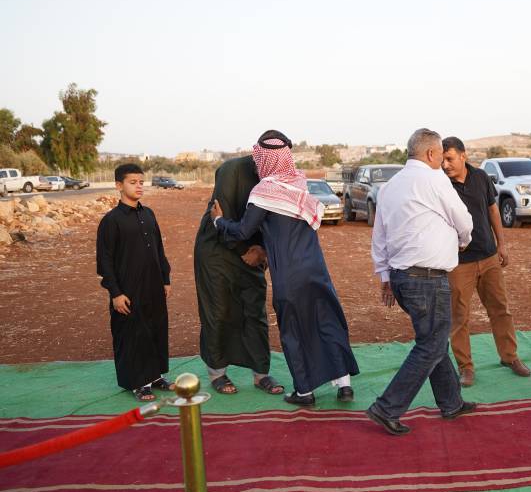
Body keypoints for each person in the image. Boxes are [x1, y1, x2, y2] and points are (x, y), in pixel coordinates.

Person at [210, 131, 358, 406]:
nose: (257, 165)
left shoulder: (264, 192)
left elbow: (243, 231)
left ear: (266, 159)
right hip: (316, 269)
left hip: (289, 274)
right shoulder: (300, 186)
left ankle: (304, 392)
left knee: (293, 330)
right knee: (327, 321)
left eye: (259, 159)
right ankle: (344, 385)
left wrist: (219, 222)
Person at [368, 128, 477, 435]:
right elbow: (463, 219)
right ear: (431, 153)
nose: (443, 161)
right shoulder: (433, 179)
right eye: (441, 154)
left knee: (434, 340)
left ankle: (451, 402)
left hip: (402, 278)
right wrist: (464, 240)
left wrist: (385, 276)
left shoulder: (389, 187)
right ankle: (387, 407)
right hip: (427, 279)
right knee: (430, 345)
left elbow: (379, 236)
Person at [441, 136, 530, 387]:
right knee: (460, 317)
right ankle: (466, 368)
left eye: (449, 159)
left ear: (463, 156)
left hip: (489, 257)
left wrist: (502, 244)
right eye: (442, 160)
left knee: (500, 309)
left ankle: (510, 357)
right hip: (458, 263)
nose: (445, 165)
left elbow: (492, 210)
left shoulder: (481, 177)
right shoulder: (440, 185)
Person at [194, 148, 283, 396]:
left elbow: (278, 219)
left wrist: (263, 251)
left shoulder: (278, 177)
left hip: (253, 252)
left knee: (255, 312)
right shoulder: (232, 169)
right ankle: (217, 372)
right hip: (217, 250)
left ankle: (261, 374)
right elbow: (221, 214)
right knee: (218, 311)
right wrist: (247, 250)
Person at [96, 163, 175, 401]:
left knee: (155, 330)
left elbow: (159, 249)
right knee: (132, 335)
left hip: (153, 285)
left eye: (141, 182)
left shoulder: (148, 214)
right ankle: (138, 383)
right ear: (119, 185)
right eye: (133, 182)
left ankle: (155, 376)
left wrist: (165, 279)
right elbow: (105, 261)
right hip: (127, 289)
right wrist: (115, 293)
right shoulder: (111, 220)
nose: (139, 186)